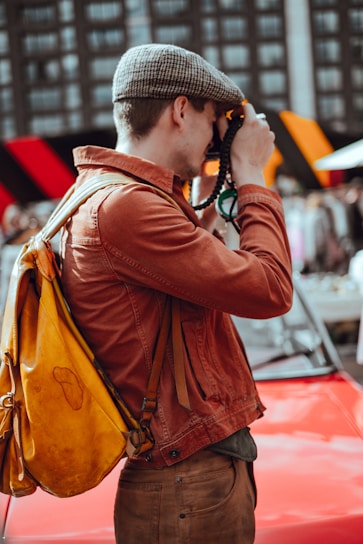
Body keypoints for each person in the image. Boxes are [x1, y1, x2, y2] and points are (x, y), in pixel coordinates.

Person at [59, 43, 293, 544]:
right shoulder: (125, 207)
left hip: (187, 478)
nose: (216, 142)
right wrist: (250, 174)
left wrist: (211, 188)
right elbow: (271, 289)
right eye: (214, 122)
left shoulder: (115, 195)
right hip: (187, 482)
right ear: (181, 110)